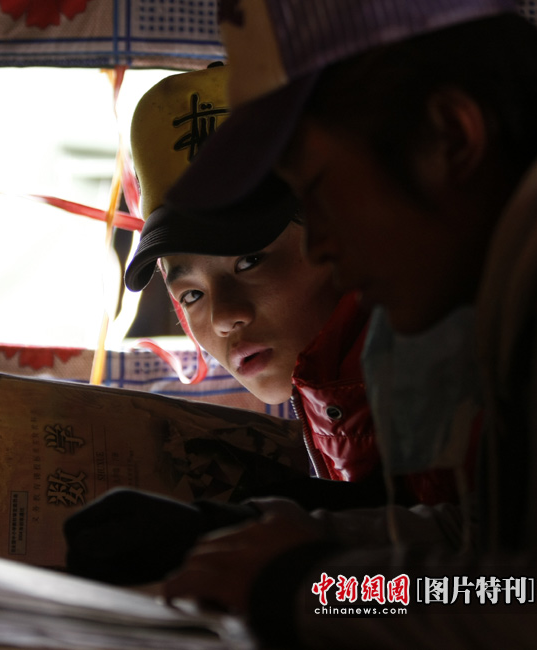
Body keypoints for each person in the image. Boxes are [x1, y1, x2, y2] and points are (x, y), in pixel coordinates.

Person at [157, 1, 537, 648]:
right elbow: (494, 551)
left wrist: (311, 587)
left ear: (450, 137)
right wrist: (251, 537)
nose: (319, 243)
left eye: (317, 188)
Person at [64, 63, 476, 586]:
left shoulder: (443, 355)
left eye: (250, 261)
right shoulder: (333, 378)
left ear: (337, 231)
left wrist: (280, 560)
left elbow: (502, 583)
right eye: (191, 294)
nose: (223, 316)